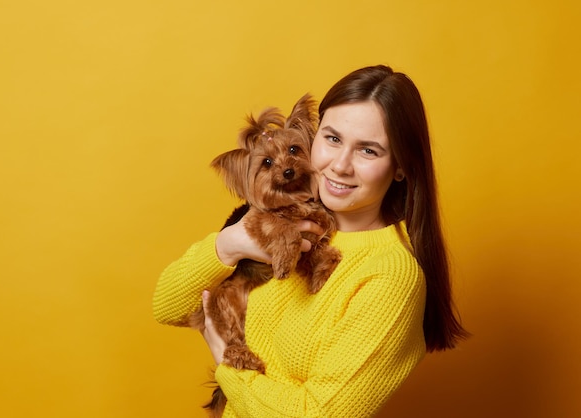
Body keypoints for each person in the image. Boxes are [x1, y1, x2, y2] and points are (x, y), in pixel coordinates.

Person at [153, 65, 468, 417]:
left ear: (400, 167)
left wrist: (228, 368)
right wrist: (229, 245)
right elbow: (167, 307)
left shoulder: (390, 277)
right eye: (332, 139)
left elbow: (317, 415)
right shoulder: (283, 221)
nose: (340, 165)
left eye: (368, 151)